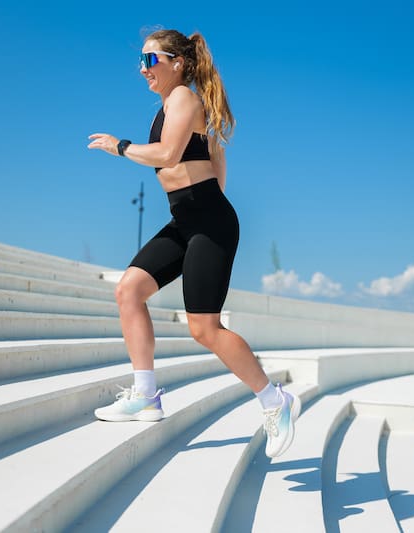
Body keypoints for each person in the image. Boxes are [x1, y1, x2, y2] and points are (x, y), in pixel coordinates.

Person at [87, 29, 299, 458]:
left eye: (150, 60)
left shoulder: (184, 97)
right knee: (130, 290)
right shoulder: (171, 106)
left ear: (177, 62)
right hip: (188, 220)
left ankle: (275, 400)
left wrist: (120, 146)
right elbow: (216, 164)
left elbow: (167, 155)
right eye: (141, 62)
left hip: (208, 221)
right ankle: (146, 394)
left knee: (204, 328)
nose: (143, 69)